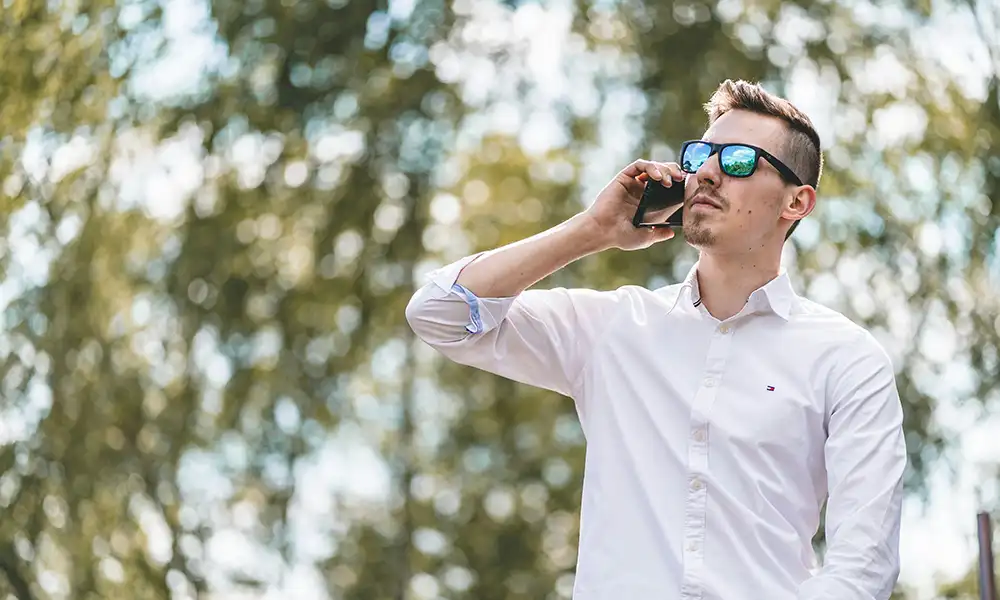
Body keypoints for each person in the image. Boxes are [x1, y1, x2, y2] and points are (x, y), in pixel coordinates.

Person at [405, 79, 906, 600]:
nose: (707, 173)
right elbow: (438, 313)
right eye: (699, 156)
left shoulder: (846, 359)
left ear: (797, 202)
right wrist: (593, 229)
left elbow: (862, 568)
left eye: (738, 160)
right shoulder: (613, 327)